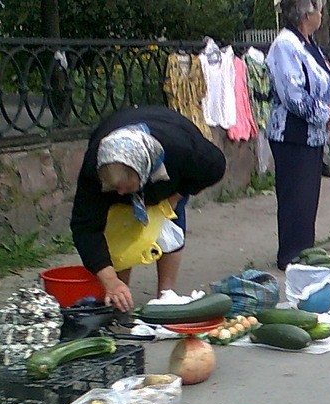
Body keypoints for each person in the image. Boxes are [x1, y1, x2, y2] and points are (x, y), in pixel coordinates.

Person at [70, 107, 226, 312]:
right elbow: (85, 227)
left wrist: (179, 194)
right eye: (114, 187)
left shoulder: (184, 151)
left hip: (169, 165)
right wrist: (109, 281)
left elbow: (216, 168)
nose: (120, 192)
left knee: (169, 224)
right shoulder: (94, 168)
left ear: (143, 174)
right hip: (122, 145)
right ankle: (119, 297)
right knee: (118, 229)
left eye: (126, 187)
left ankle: (166, 296)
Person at [265, 0, 330, 270]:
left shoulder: (308, 43)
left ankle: (304, 251)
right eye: (319, 10)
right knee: (295, 196)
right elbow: (293, 95)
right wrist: (326, 113)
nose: (321, 15)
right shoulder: (285, 45)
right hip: (291, 134)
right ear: (307, 14)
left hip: (311, 135)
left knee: (307, 197)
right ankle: (291, 256)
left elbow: (324, 81)